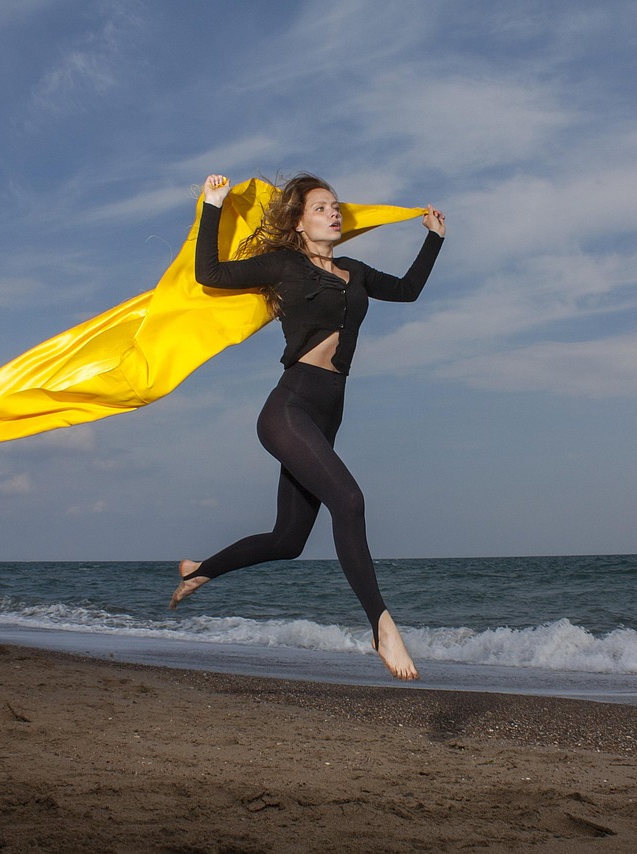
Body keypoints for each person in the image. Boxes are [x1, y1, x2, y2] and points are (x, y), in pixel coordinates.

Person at [170, 172, 446, 681]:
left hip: (327, 412)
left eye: (336, 206)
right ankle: (381, 625)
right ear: (299, 222)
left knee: (289, 539)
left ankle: (200, 570)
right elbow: (208, 273)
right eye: (321, 207)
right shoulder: (283, 265)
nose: (334, 213)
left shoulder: (355, 271)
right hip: (289, 409)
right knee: (350, 500)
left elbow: (407, 291)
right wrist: (212, 203)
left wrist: (433, 238)